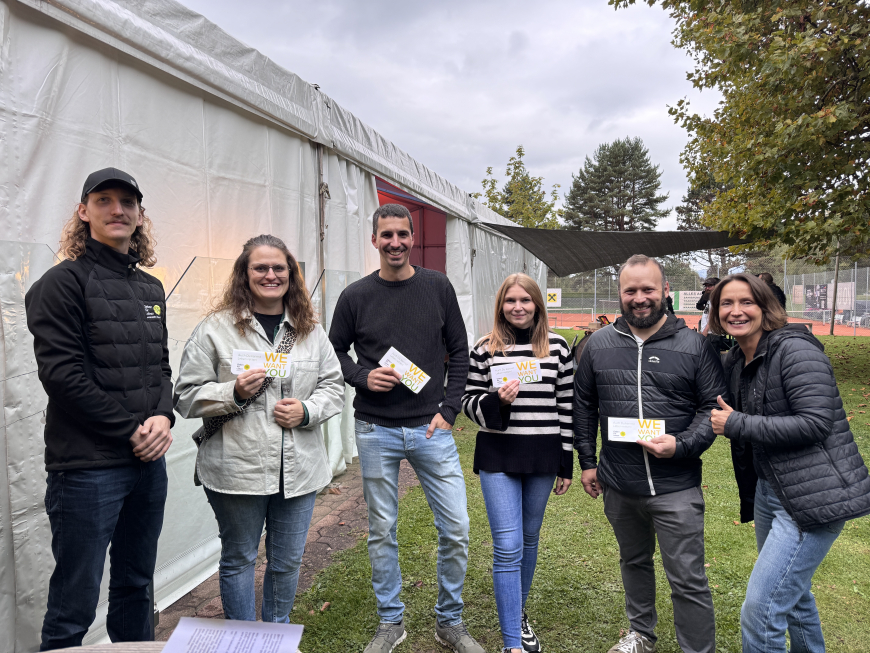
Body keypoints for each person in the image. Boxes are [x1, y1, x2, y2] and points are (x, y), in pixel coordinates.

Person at [25, 168, 174, 650]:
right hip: (86, 469)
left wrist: (163, 417)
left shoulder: (151, 288)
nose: (117, 210)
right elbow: (63, 377)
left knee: (136, 585)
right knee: (75, 601)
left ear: (139, 216)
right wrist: (131, 430)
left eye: (127, 203)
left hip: (147, 466)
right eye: (104, 200)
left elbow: (161, 368)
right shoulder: (60, 284)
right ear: (83, 212)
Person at [329, 204, 482, 653]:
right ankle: (391, 622)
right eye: (386, 235)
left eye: (402, 234)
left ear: (412, 238)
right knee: (382, 530)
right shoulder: (355, 296)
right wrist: (360, 375)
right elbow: (334, 350)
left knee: (456, 526)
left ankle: (449, 622)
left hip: (430, 428)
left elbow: (460, 351)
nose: (394, 242)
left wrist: (450, 410)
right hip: (375, 429)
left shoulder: (437, 287)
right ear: (374, 240)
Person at [174, 234, 344, 623]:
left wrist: (306, 410)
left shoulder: (309, 329)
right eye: (260, 268)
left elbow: (333, 386)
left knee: (286, 562)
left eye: (279, 268)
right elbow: (185, 396)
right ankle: (244, 642)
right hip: (237, 469)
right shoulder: (215, 329)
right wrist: (230, 391)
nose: (270, 275)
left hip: (298, 470)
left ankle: (276, 635)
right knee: (239, 559)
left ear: (291, 274)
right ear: (244, 274)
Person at [708, 273, 870, 653]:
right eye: (726, 303)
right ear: (716, 313)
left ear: (766, 308)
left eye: (746, 302)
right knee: (794, 597)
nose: (736, 311)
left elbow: (816, 423)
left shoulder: (795, 351)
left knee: (761, 611)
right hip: (771, 491)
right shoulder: (736, 359)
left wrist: (736, 423)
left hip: (814, 498)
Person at [573, 254, 724, 653]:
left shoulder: (694, 345)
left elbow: (711, 409)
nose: (640, 298)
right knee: (634, 563)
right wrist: (588, 462)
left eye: (648, 290)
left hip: (676, 485)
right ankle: (641, 635)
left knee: (688, 578)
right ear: (620, 294)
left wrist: (682, 444)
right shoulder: (598, 345)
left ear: (665, 291)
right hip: (620, 485)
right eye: (631, 290)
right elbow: (584, 406)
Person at [461, 273, 574, 653]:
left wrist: (566, 461)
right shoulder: (484, 349)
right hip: (499, 455)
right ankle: (512, 643)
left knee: (528, 539)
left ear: (538, 304)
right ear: (500, 306)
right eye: (511, 301)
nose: (518, 307)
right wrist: (496, 402)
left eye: (526, 300)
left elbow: (567, 406)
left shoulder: (557, 348)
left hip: (543, 453)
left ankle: (518, 612)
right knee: (507, 545)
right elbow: (468, 404)